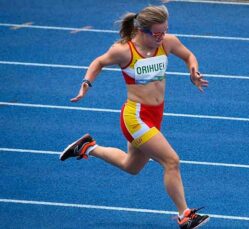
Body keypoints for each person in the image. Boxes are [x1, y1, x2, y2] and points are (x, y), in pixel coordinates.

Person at [60, 5, 209, 229]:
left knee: (132, 166)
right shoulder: (124, 50)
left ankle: (87, 147)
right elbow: (98, 62)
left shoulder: (167, 42)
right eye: (157, 33)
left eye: (164, 31)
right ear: (142, 30)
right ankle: (184, 215)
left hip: (156, 114)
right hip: (135, 117)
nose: (161, 37)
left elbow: (188, 55)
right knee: (171, 161)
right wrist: (86, 84)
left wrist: (193, 71)